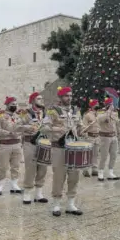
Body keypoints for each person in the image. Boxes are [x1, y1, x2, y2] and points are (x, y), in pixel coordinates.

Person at [41, 86, 83, 217]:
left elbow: (80, 126)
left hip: (74, 148)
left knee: (74, 176)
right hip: (59, 148)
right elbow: (43, 128)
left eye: (70, 96)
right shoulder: (53, 111)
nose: (69, 98)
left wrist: (82, 131)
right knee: (59, 176)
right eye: (66, 96)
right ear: (60, 97)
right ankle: (57, 204)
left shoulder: (76, 110)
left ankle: (71, 204)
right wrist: (55, 130)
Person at [20, 92, 49, 203]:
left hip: (44, 143)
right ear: (32, 101)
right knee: (30, 168)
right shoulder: (25, 113)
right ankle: (27, 192)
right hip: (30, 143)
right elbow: (17, 126)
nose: (41, 100)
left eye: (42, 98)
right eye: (38, 98)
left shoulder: (46, 113)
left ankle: (39, 194)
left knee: (43, 168)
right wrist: (29, 127)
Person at [0, 96, 23, 196]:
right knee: (3, 167)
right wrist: (8, 133)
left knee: (16, 166)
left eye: (15, 104)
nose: (14, 106)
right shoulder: (0, 116)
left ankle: (14, 185)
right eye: (12, 104)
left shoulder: (18, 116)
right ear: (7, 105)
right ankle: (0, 185)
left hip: (17, 144)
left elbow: (21, 128)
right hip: (5, 145)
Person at [97, 97, 120, 181]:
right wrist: (108, 111)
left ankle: (110, 171)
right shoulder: (101, 112)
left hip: (113, 136)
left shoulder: (114, 113)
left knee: (114, 155)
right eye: (111, 104)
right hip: (105, 137)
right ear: (107, 105)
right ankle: (101, 172)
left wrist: (118, 134)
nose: (113, 106)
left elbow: (116, 124)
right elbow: (101, 120)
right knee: (104, 156)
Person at [81, 99, 100, 178]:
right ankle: (85, 169)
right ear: (92, 106)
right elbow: (83, 126)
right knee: (87, 154)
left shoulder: (99, 115)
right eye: (96, 104)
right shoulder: (87, 115)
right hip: (90, 136)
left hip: (97, 137)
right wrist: (86, 136)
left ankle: (94, 169)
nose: (98, 105)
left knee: (96, 154)